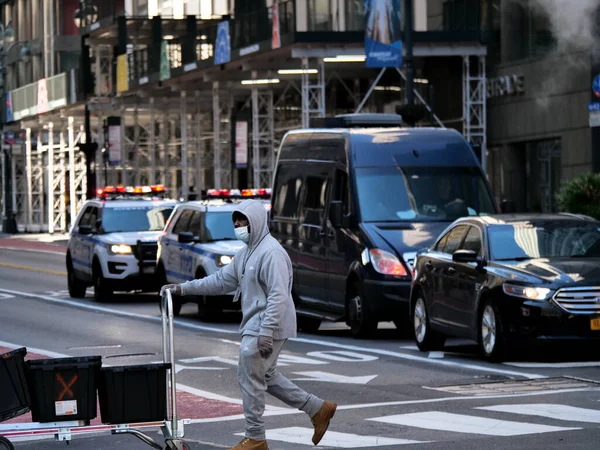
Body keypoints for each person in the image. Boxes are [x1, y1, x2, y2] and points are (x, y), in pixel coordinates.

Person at [160, 199, 337, 450]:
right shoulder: (247, 253)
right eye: (235, 221)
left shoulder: (272, 252)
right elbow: (221, 280)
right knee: (265, 376)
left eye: (242, 220)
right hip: (257, 325)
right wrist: (183, 288)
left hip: (266, 325)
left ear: (255, 221)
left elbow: (279, 296)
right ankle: (318, 409)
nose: (238, 225)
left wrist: (266, 331)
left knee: (249, 375)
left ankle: (255, 437)